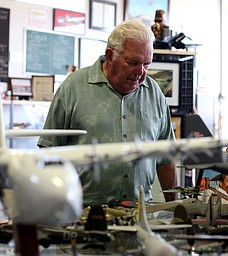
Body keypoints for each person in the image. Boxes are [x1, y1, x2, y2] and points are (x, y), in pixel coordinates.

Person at [37, 19, 178, 206]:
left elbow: (166, 158)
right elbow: (49, 153)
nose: (141, 72)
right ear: (110, 56)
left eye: (147, 64)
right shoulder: (73, 88)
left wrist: (176, 211)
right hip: (81, 214)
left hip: (140, 214)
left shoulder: (154, 94)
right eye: (133, 62)